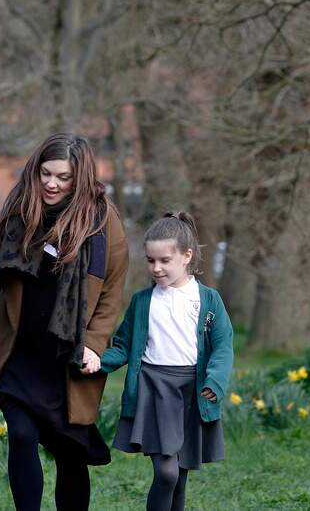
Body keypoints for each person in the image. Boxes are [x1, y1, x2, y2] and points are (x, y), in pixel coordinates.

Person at [0, 133, 129, 511]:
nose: (52, 184)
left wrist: (94, 345)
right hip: (20, 353)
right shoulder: (17, 208)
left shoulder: (103, 220)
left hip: (68, 360)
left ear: (80, 178)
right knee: (22, 436)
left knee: (69, 452)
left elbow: (111, 292)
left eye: (63, 177)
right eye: (46, 174)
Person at [101, 212, 233, 511]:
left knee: (179, 477)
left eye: (164, 260)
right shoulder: (143, 301)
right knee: (167, 473)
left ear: (186, 256)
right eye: (150, 260)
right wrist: (97, 361)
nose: (156, 268)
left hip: (191, 392)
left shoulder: (208, 299)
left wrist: (214, 381)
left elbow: (223, 347)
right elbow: (123, 345)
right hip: (154, 390)